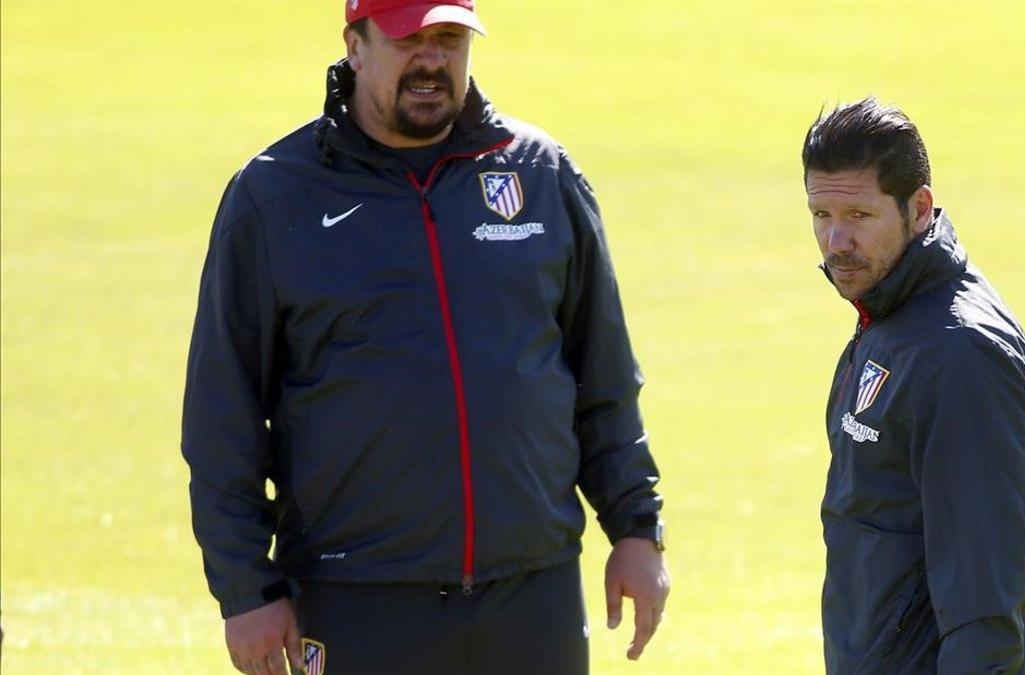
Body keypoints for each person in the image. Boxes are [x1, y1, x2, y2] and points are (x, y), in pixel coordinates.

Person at [181, 2, 669, 673]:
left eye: (448, 38)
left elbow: (604, 374)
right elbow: (222, 415)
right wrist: (245, 588)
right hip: (356, 597)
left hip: (531, 592)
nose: (432, 59)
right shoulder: (274, 195)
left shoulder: (540, 174)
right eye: (408, 37)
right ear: (355, 45)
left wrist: (636, 527)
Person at [803, 98, 1025, 673]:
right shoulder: (891, 318)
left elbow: (984, 606)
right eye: (820, 215)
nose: (836, 241)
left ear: (919, 208)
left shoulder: (963, 356)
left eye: (858, 217)